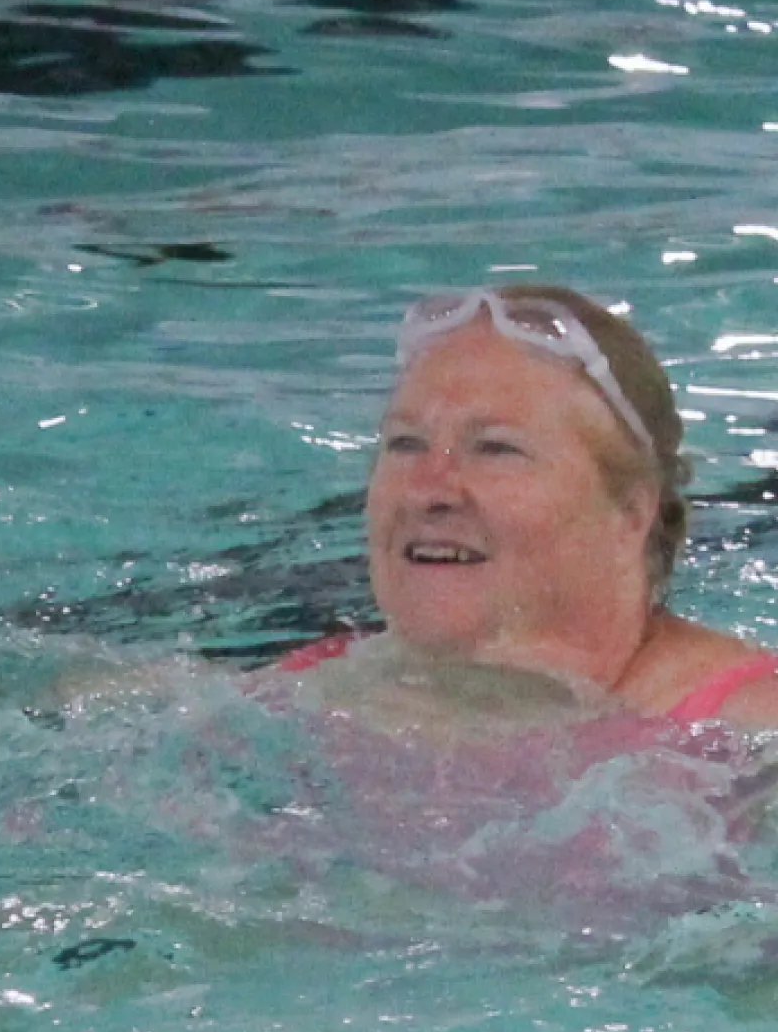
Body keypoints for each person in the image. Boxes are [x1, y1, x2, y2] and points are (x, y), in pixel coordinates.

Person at [278, 284, 778, 732]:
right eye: (406, 443)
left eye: (496, 448)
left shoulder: (749, 736)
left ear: (630, 512)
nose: (428, 490)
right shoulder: (295, 700)